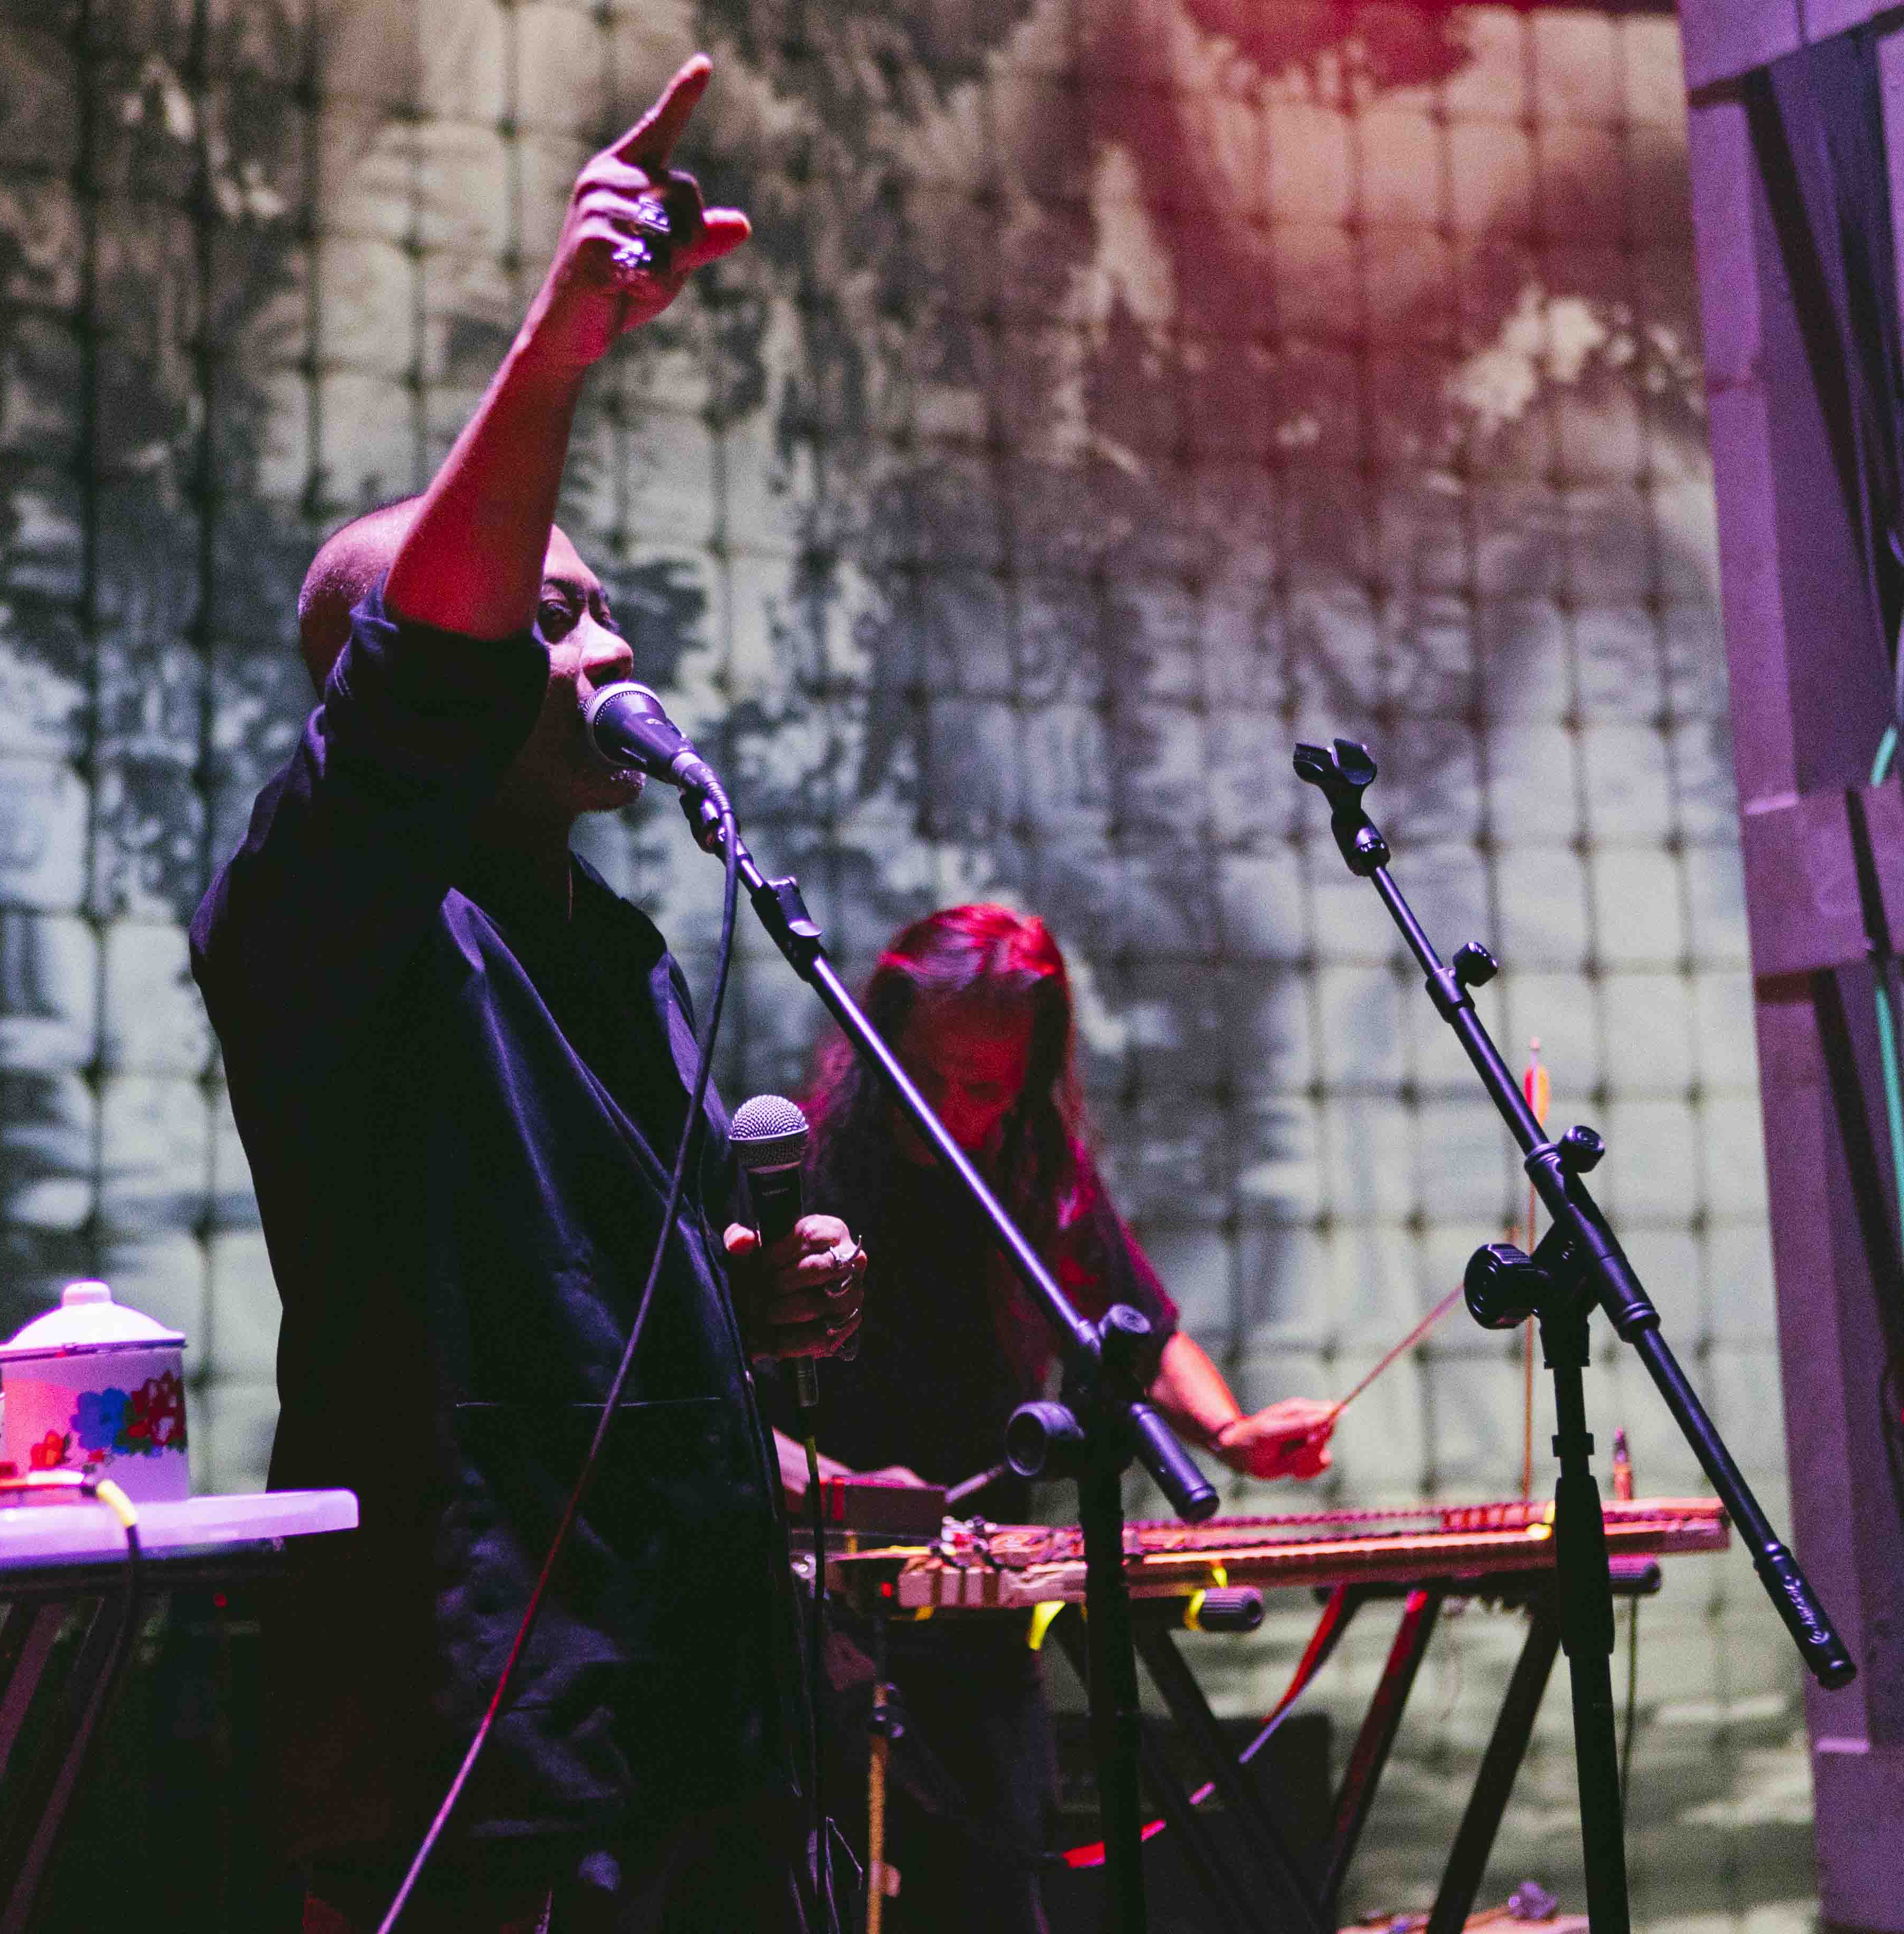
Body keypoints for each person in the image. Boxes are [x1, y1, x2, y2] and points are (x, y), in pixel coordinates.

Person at [192, 57, 864, 1933]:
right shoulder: (323, 916)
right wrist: (555, 356)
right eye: (550, 614)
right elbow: (425, 679)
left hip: (696, 1714)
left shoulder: (617, 950)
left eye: (601, 603)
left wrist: (747, 1304)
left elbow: (588, 1299)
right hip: (483, 1743)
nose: (610, 641)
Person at [775, 903, 1337, 1934]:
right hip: (821, 1628)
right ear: (882, 1039)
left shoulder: (1032, 1170)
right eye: (928, 1075)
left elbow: (1137, 1330)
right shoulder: (804, 1176)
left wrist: (1229, 1432)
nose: (952, 1108)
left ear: (1029, 1077)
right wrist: (845, 1493)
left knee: (996, 1903)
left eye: (984, 1088)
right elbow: (714, 1395)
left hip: (982, 1624)